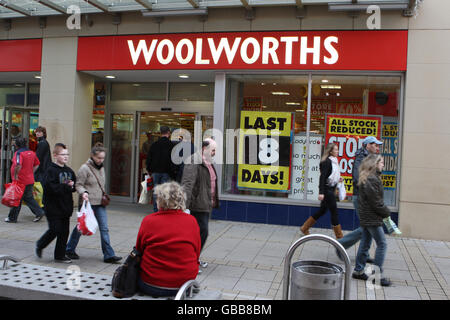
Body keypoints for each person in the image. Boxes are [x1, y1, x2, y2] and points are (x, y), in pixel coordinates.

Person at [136, 181, 201, 297]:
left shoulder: (149, 221)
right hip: (183, 285)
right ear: (181, 200)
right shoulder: (191, 221)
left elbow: (139, 249)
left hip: (151, 283)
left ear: (160, 201)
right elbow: (196, 252)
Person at [65, 143, 122, 263]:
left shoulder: (101, 167)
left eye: (103, 158)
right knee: (81, 227)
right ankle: (69, 249)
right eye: (99, 158)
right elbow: (78, 184)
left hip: (100, 203)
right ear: (92, 156)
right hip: (87, 203)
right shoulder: (84, 168)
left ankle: (108, 255)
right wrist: (84, 192)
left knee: (104, 228)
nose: (101, 160)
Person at [337, 136, 383, 261]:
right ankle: (342, 244)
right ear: (368, 145)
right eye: (376, 145)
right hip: (362, 197)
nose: (378, 148)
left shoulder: (370, 158)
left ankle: (363, 255)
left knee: (367, 227)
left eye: (378, 145)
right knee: (367, 227)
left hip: (366, 197)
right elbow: (358, 178)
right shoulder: (361, 158)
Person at [352, 154, 391, 287]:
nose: (383, 165)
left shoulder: (369, 178)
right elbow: (376, 202)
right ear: (374, 164)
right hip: (372, 217)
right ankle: (376, 276)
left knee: (366, 241)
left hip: (367, 217)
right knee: (382, 244)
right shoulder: (372, 180)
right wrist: (387, 212)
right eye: (381, 163)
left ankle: (358, 271)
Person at [181, 138, 219, 271]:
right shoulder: (194, 161)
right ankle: (191, 261)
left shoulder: (207, 162)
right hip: (196, 205)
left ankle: (193, 259)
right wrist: (184, 206)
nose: (214, 153)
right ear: (204, 149)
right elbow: (187, 183)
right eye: (213, 150)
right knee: (201, 233)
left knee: (200, 234)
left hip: (205, 204)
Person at [36, 143, 76, 263]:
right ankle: (40, 244)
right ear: (55, 155)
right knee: (55, 229)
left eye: (67, 154)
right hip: (53, 207)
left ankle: (60, 255)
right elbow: (49, 187)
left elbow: (74, 185)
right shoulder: (50, 170)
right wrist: (66, 186)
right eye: (63, 154)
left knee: (64, 232)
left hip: (65, 207)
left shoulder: (69, 171)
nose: (66, 157)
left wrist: (73, 186)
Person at [300, 143, 343, 239]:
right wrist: (321, 192)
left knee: (322, 210)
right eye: (336, 150)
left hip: (331, 189)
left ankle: (304, 228)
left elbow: (330, 176)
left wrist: (338, 179)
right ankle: (339, 237)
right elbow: (322, 177)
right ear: (331, 151)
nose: (337, 151)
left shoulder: (334, 161)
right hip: (327, 190)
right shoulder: (327, 162)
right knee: (334, 212)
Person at [4, 137, 45, 223]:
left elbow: (18, 165)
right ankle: (39, 212)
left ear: (17, 145)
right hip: (30, 180)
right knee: (28, 198)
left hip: (20, 180)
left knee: (16, 199)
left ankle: (12, 218)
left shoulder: (18, 153)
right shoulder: (32, 152)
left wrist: (15, 176)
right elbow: (37, 164)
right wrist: (31, 172)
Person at [146, 126, 176, 212]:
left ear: (160, 133)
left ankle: (156, 209)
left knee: (156, 190)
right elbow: (173, 160)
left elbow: (149, 158)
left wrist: (149, 169)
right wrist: (173, 172)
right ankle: (163, 209)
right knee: (164, 191)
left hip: (155, 171)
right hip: (166, 172)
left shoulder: (154, 144)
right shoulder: (171, 145)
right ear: (168, 133)